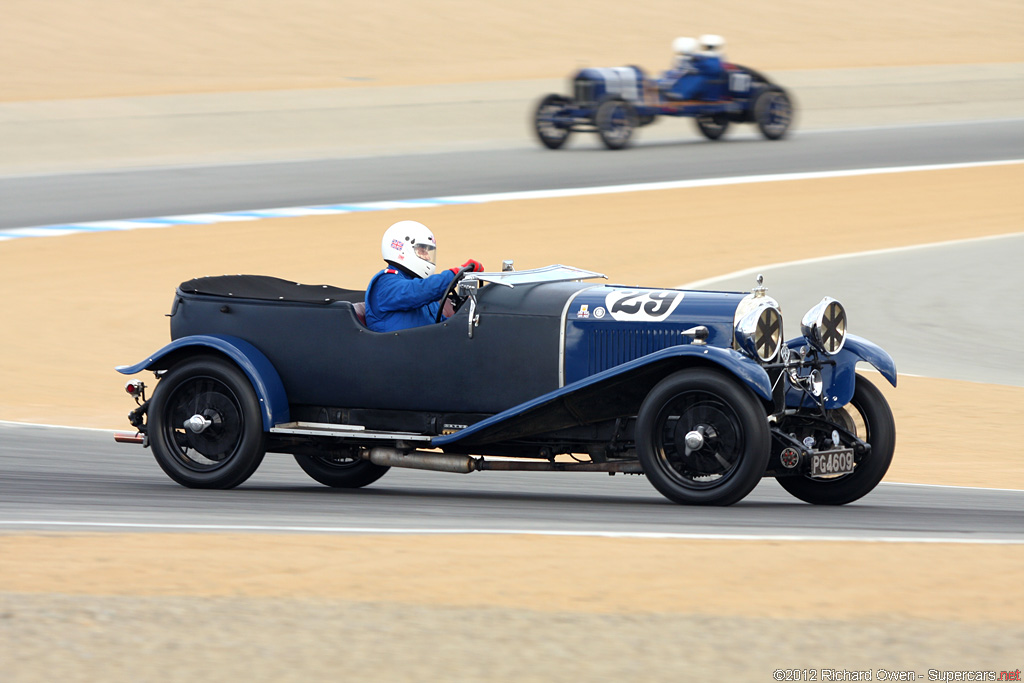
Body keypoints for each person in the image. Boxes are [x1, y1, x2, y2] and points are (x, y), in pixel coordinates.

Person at [364, 220, 483, 332]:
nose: (427, 257)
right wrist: (455, 273)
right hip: (398, 351)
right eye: (422, 251)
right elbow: (419, 291)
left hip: (426, 347)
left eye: (428, 252)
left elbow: (441, 325)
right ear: (402, 249)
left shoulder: (422, 293)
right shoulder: (385, 283)